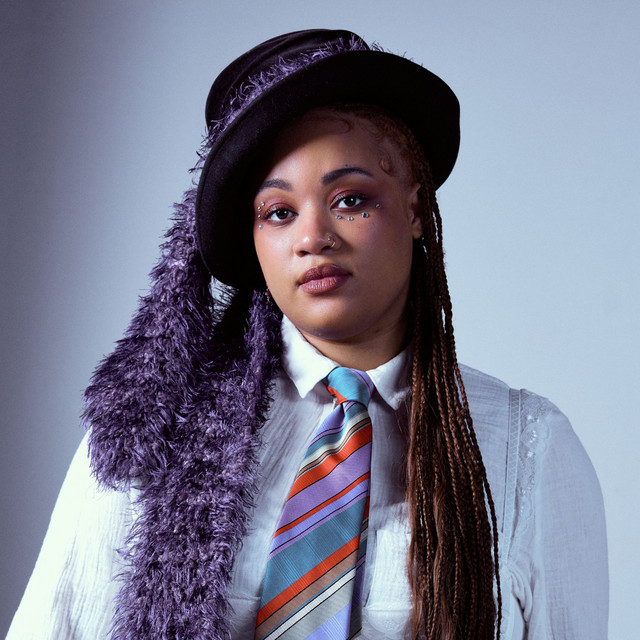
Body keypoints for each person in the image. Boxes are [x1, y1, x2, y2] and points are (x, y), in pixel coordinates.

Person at [8, 29, 608, 640]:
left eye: (350, 199)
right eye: (278, 212)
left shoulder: (528, 450)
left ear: (415, 208)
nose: (312, 237)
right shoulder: (154, 427)